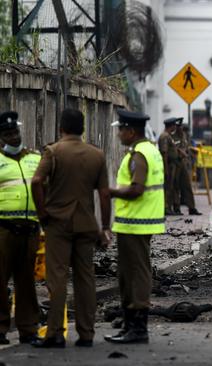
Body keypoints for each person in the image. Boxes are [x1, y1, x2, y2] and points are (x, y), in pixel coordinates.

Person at [30, 109, 111, 348]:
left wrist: (42, 212)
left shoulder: (53, 152)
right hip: (86, 225)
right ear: (83, 128)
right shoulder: (97, 155)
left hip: (58, 224)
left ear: (61, 128)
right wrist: (105, 226)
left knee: (57, 278)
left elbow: (36, 182)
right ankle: (86, 333)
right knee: (86, 279)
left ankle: (55, 332)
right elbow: (105, 194)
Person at [105, 110, 165, 344]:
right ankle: (130, 325)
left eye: (121, 129)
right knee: (127, 273)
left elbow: (137, 189)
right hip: (139, 222)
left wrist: (108, 192)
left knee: (136, 274)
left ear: (131, 131)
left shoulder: (139, 154)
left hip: (135, 223)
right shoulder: (150, 150)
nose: (119, 134)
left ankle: (138, 328)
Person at [0, 111, 40, 346]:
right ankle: (1, 327)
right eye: (8, 134)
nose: (14, 137)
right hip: (4, 230)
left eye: (15, 132)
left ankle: (28, 329)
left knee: (26, 282)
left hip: (30, 230)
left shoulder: (34, 158)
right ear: (1, 138)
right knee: (0, 281)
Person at [172, 120, 201, 215]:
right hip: (175, 164)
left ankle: (191, 208)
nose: (184, 131)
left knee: (187, 186)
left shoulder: (186, 138)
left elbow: (192, 151)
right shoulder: (172, 137)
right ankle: (176, 208)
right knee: (175, 186)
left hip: (184, 165)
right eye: (183, 129)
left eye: (186, 130)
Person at [159, 118, 181, 215]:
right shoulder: (165, 136)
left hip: (172, 164)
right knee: (167, 187)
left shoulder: (169, 136)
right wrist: (166, 168)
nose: (175, 127)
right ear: (171, 126)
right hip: (168, 165)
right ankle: (166, 208)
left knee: (170, 187)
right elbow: (164, 153)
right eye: (174, 125)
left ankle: (169, 207)